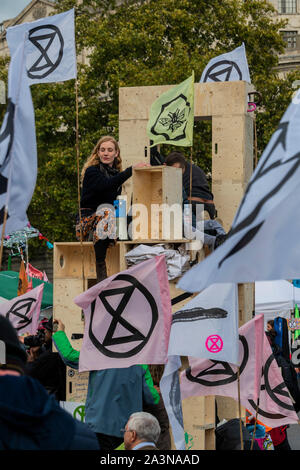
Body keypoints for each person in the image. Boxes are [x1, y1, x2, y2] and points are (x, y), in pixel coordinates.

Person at [52, 319, 160, 451]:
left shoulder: (100, 353)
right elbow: (151, 397)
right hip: (128, 430)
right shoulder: (139, 360)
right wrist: (156, 391)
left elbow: (70, 356)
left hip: (99, 425)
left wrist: (60, 333)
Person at [0, 316, 99, 450]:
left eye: (46, 331)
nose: (43, 334)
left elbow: (69, 356)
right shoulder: (82, 436)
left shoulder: (51, 355)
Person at [77, 135, 149, 282]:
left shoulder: (114, 174)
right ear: (97, 153)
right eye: (102, 150)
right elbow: (106, 185)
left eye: (110, 150)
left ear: (116, 153)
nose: (106, 153)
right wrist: (131, 170)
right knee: (107, 212)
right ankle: (100, 268)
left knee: (133, 219)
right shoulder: (93, 171)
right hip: (86, 220)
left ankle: (138, 270)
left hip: (106, 220)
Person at [164, 151, 216, 220]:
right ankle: (206, 221)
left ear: (164, 165)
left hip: (193, 205)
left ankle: (202, 218)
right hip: (210, 206)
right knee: (202, 228)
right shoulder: (196, 168)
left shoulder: (172, 172)